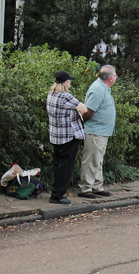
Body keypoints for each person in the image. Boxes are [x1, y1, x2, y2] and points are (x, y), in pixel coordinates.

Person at [46, 71, 89, 205]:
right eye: (69, 81)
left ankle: (56, 192)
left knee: (59, 165)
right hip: (68, 136)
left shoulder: (51, 95)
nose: (70, 83)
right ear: (65, 83)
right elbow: (84, 108)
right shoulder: (66, 96)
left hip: (55, 135)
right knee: (66, 166)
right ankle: (58, 195)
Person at [78, 65, 117, 198]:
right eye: (115, 76)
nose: (116, 78)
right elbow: (88, 111)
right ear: (110, 78)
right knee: (91, 160)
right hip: (95, 131)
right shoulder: (98, 89)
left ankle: (96, 185)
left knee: (98, 160)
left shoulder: (104, 88)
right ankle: (86, 188)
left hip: (102, 131)